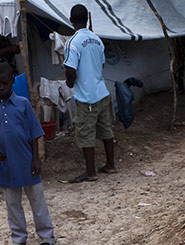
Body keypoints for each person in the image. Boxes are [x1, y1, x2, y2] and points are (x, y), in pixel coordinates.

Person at [0, 62, 56, 245]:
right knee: (12, 203)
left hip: (27, 161)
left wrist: (36, 159)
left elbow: (35, 133)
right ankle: (18, 240)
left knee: (37, 199)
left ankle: (47, 236)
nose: (1, 87)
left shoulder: (23, 104)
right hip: (6, 164)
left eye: (5, 83)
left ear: (12, 81)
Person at [63, 4, 116, 183]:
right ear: (86, 19)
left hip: (87, 97)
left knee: (86, 133)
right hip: (101, 92)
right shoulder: (96, 39)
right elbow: (101, 65)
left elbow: (70, 69)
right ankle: (110, 164)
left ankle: (90, 171)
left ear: (71, 20)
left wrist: (70, 82)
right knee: (106, 129)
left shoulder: (73, 42)